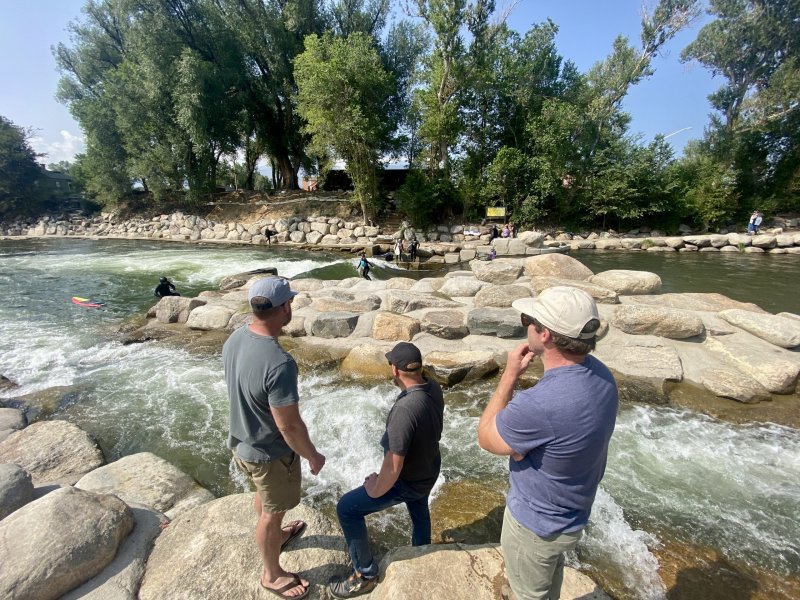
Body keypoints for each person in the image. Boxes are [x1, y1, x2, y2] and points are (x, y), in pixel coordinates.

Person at [477, 286, 618, 600]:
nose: (524, 324)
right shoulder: (602, 376)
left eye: (528, 318)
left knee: (530, 593)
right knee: (546, 579)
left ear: (545, 335)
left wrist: (509, 376)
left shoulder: (540, 405)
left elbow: (486, 438)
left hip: (536, 525)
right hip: (573, 510)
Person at [223, 277, 326, 599]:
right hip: (269, 453)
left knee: (265, 498)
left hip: (241, 442)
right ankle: (272, 573)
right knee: (272, 511)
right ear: (285, 307)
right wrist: (312, 455)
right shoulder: (280, 363)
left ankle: (278, 535)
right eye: (290, 302)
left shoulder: (236, 337)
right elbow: (289, 427)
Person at [328, 342, 444, 599]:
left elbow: (393, 464)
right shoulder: (433, 388)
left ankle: (365, 575)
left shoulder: (404, 410)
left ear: (395, 371)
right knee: (419, 508)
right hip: (429, 468)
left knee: (347, 508)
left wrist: (377, 486)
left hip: (407, 480)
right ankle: (421, 554)